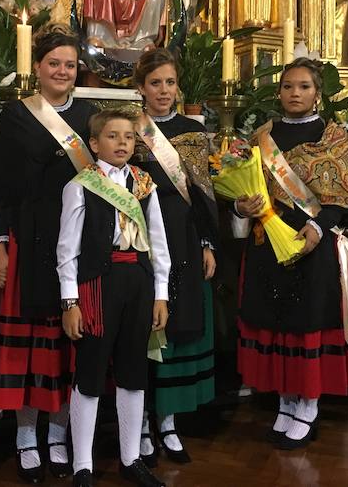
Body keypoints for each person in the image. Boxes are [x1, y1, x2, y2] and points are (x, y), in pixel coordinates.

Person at [235, 58, 348, 450]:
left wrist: (318, 227)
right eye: (289, 86)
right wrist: (242, 205)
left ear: (317, 94)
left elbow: (344, 196)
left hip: (312, 243)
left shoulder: (334, 135)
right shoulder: (262, 136)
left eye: (304, 87)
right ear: (279, 92)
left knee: (306, 321)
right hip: (266, 242)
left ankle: (307, 405)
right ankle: (284, 401)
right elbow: (242, 183)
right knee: (276, 322)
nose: (295, 93)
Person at [0, 26, 96, 483]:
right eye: (54, 63)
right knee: (29, 350)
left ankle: (59, 433)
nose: (62, 71)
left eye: (70, 65)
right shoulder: (15, 116)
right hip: (28, 242)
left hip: (77, 242)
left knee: (67, 348)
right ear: (37, 68)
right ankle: (25, 436)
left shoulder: (90, 116)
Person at [57, 107, 171, 487]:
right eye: (112, 136)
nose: (122, 143)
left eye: (128, 137)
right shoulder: (80, 185)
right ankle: (83, 466)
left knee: (133, 373)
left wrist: (161, 294)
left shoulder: (145, 184)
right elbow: (67, 250)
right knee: (90, 373)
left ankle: (130, 458)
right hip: (96, 286)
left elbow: (158, 243)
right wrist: (70, 302)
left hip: (138, 283)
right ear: (94, 143)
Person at [131, 49, 217, 465]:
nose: (163, 91)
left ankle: (167, 420)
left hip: (184, 240)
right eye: (154, 83)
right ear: (140, 88)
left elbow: (203, 198)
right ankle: (142, 422)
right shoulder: (129, 130)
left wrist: (207, 244)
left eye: (169, 82)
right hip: (141, 237)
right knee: (143, 326)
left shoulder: (192, 131)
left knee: (177, 324)